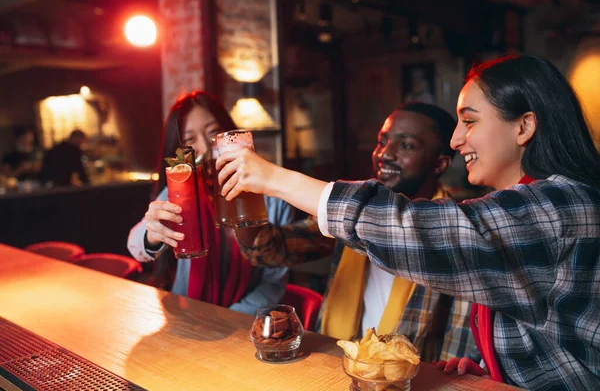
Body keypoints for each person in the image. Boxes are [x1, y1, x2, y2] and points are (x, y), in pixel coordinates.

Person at [216, 55, 600, 390]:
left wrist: (273, 178)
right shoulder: (529, 206)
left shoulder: (562, 207)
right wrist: (493, 370)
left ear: (523, 126)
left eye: (469, 121)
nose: (456, 139)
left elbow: (415, 230)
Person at [235, 102, 477, 362]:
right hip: (335, 366)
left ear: (439, 163)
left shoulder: (455, 232)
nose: (385, 153)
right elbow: (269, 249)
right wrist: (240, 195)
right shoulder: (354, 214)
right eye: (382, 141)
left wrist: (272, 178)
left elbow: (455, 355)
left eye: (405, 145)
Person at [127, 91, 295, 315]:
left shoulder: (271, 198)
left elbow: (273, 282)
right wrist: (151, 235)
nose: (205, 148)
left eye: (214, 133)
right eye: (190, 140)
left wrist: (226, 319)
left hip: (245, 322)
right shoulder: (179, 191)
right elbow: (136, 247)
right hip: (186, 315)